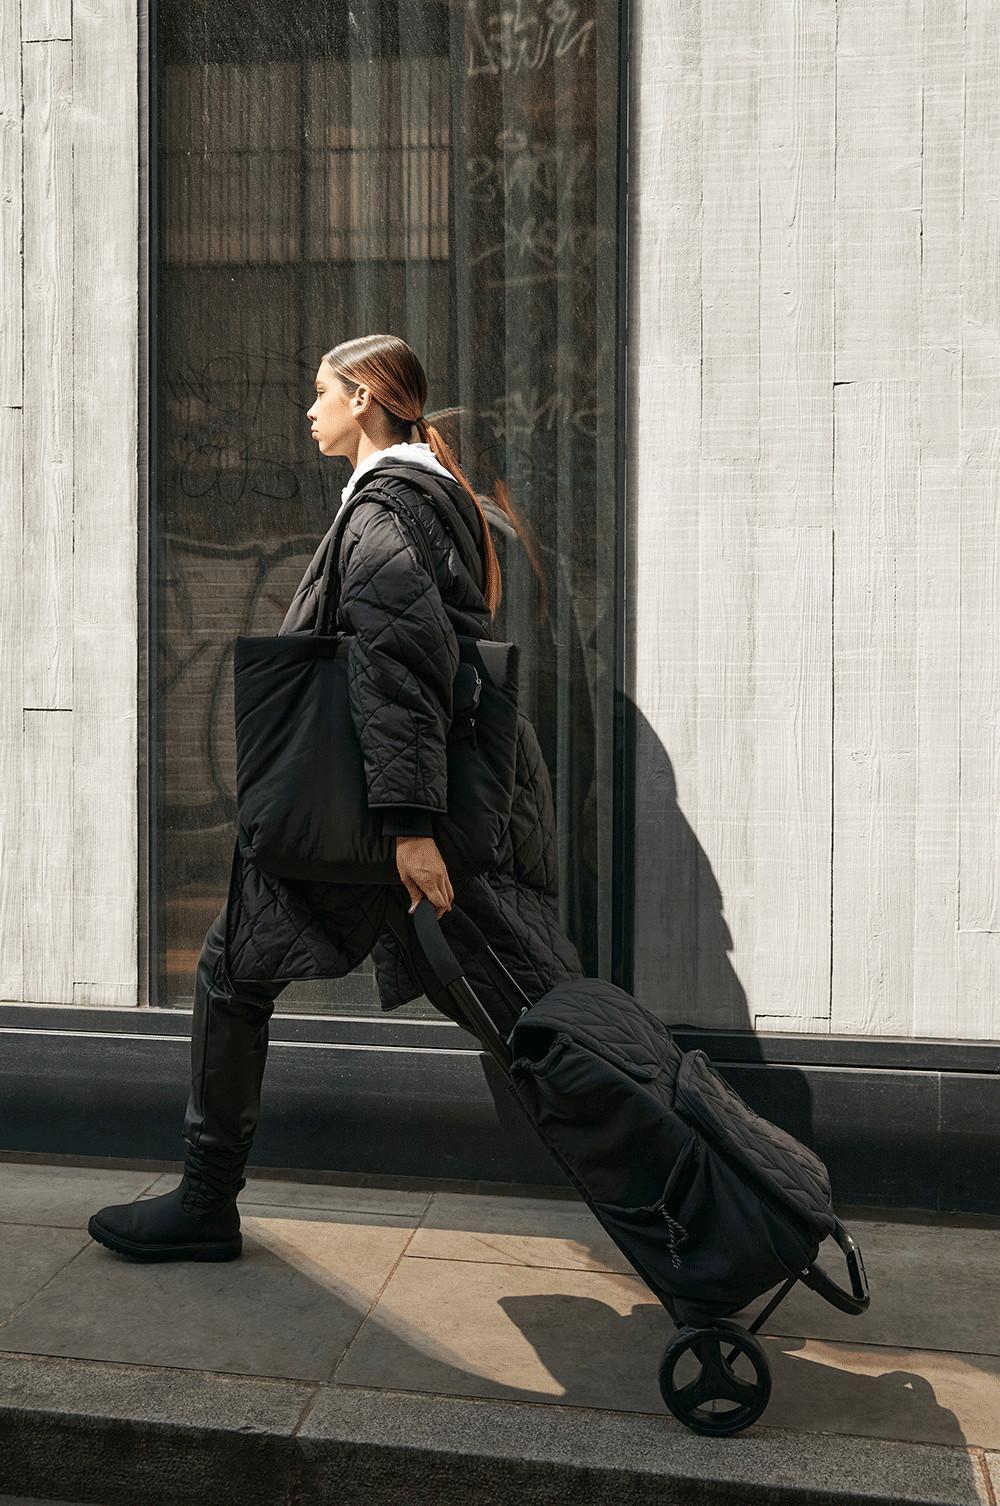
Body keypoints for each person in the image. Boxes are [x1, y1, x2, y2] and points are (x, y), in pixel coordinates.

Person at [88, 333, 584, 1261]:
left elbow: (400, 667)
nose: (308, 409)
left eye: (320, 391)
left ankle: (204, 1205)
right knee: (512, 997)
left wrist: (405, 828)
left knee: (241, 976)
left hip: (370, 821)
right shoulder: (407, 501)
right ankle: (678, 1186)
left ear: (364, 397)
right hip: (384, 815)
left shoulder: (386, 512)